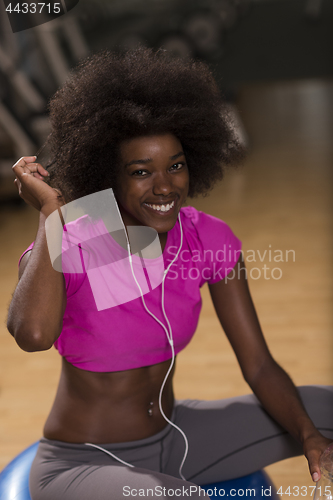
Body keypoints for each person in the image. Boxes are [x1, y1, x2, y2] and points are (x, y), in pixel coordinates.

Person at [7, 48, 333, 500]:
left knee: (327, 409)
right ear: (107, 175)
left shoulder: (208, 239)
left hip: (176, 439)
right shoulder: (76, 237)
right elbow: (33, 334)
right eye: (141, 172)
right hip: (81, 463)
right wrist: (51, 214)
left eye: (175, 165)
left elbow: (258, 364)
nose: (164, 186)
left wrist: (309, 436)